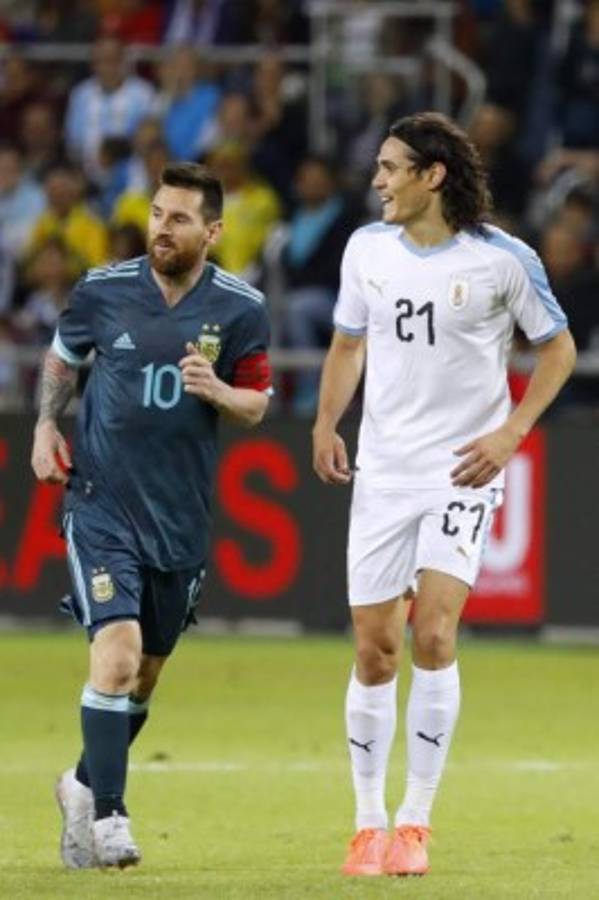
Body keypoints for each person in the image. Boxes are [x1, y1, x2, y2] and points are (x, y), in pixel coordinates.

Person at [312, 112, 576, 878]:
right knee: (374, 649)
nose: (376, 181)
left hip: (459, 470)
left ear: (432, 176)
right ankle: (366, 825)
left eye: (390, 167)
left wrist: (510, 432)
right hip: (383, 472)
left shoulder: (503, 260)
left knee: (431, 632)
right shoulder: (365, 250)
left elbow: (557, 349)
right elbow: (347, 344)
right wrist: (326, 422)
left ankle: (413, 823)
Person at [31, 162, 273, 869]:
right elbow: (62, 358)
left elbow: (257, 404)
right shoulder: (103, 289)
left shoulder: (240, 309)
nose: (161, 228)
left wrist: (219, 391)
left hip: (179, 518)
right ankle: (110, 815)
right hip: (101, 503)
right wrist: (45, 426)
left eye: (179, 219)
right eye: (157, 214)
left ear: (212, 231)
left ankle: (81, 784)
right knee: (116, 654)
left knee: (143, 676)